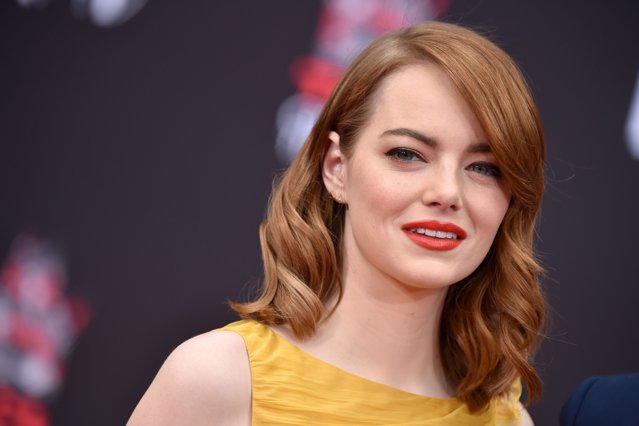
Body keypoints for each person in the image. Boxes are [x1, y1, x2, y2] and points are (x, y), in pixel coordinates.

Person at [128, 21, 545, 425]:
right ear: (336, 168)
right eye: (407, 154)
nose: (448, 192)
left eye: (484, 167)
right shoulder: (219, 380)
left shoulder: (507, 420)